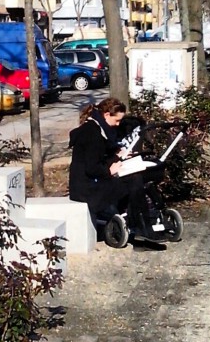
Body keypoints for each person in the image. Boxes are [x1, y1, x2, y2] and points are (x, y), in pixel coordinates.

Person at [68, 97, 164, 241]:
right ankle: (141, 226)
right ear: (106, 115)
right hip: (87, 189)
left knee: (135, 177)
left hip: (91, 182)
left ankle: (141, 223)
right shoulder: (91, 133)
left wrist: (117, 155)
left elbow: (100, 156)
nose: (117, 124)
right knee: (133, 181)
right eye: (116, 120)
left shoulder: (97, 128)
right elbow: (92, 167)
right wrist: (109, 170)